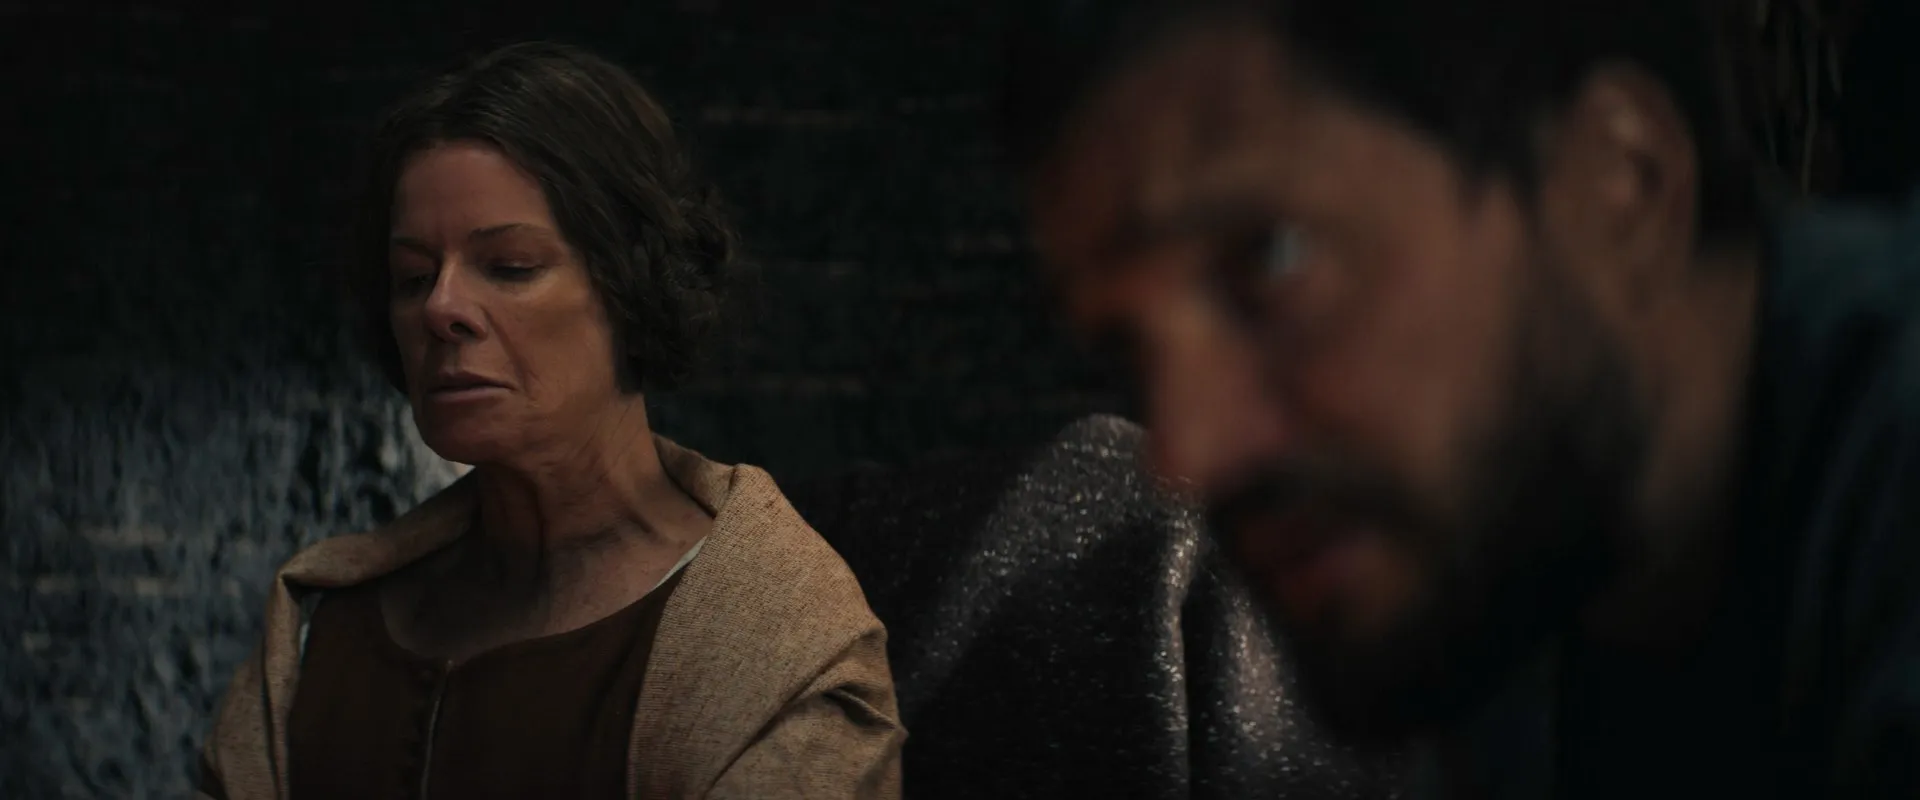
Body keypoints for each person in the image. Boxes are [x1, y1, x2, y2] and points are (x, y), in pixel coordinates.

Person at [1005, 1, 1920, 797]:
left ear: (1620, 184)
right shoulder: (1524, 586)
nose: (1184, 452)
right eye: (1129, 350)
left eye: (1271, 261)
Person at [198, 42, 903, 799]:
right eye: (412, 276)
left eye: (510, 266)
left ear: (632, 285)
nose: (440, 307)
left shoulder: (776, 642)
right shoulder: (320, 624)